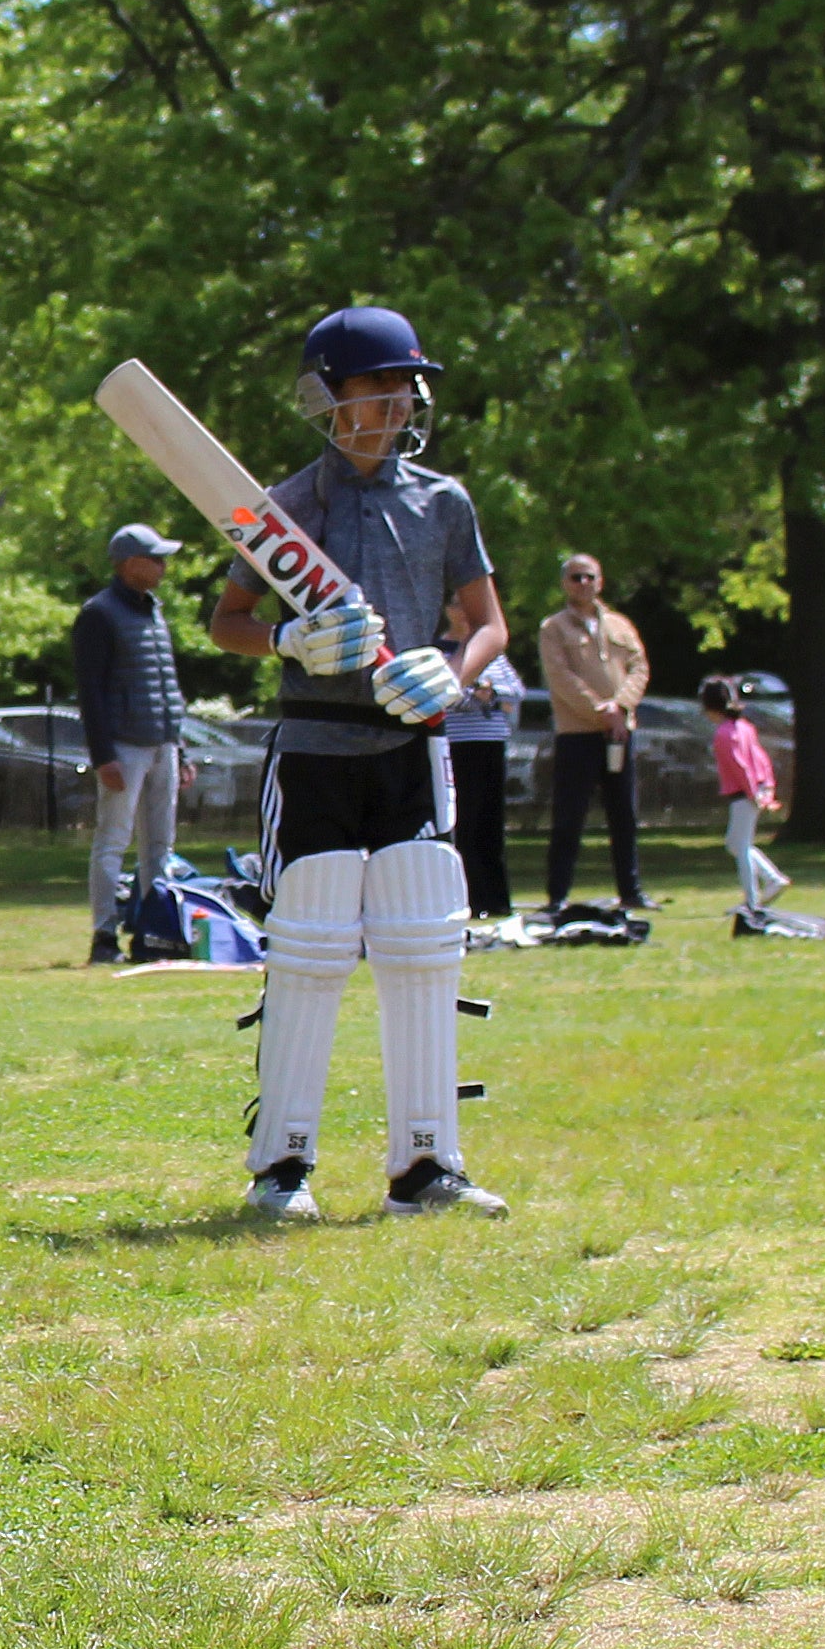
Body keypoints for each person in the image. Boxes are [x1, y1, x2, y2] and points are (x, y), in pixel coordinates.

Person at [203, 306, 514, 1224]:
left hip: (414, 747)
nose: (398, 401)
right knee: (309, 946)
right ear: (328, 397)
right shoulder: (285, 506)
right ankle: (282, 1166)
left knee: (424, 944)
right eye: (377, 385)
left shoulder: (443, 501)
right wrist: (289, 639)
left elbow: (489, 621)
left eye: (404, 385)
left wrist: (451, 675)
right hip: (314, 748)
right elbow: (225, 623)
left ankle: (427, 1167)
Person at [71, 522, 184, 965]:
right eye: (154, 558)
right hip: (125, 745)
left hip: (162, 744)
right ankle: (103, 936)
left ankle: (153, 930)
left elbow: (166, 685)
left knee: (161, 844)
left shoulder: (154, 611)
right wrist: (103, 756)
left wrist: (180, 747)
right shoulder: (99, 613)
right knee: (113, 839)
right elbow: (91, 690)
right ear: (128, 564)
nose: (162, 566)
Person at [537, 552, 649, 911]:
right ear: (564, 583)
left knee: (624, 815)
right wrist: (599, 710)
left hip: (619, 733)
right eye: (575, 578)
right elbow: (560, 677)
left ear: (600, 582)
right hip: (578, 735)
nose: (583, 584)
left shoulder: (620, 625)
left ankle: (631, 892)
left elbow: (638, 668)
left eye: (589, 577)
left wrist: (621, 706)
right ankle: (558, 896)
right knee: (569, 817)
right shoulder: (553, 628)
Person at [440, 608, 526, 919]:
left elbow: (515, 691)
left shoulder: (490, 651)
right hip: (458, 747)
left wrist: (489, 693)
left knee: (491, 824)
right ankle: (469, 898)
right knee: (466, 823)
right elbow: (446, 696)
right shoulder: (440, 651)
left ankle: (497, 899)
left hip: (491, 744)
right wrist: (482, 696)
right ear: (449, 610)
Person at [702, 675, 787, 910]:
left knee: (740, 847)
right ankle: (772, 880)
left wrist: (753, 794)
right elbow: (760, 759)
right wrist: (767, 787)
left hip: (744, 793)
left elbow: (741, 766)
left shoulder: (724, 734)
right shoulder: (745, 728)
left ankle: (753, 900)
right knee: (736, 843)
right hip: (754, 789)